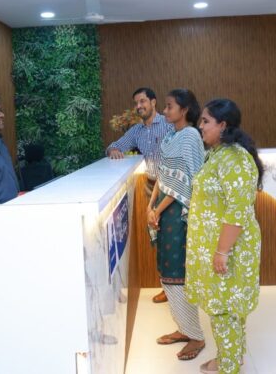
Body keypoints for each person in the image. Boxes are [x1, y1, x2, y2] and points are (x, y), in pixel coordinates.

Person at [185, 99, 264, 374]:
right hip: (218, 246)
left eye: (205, 121)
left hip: (229, 248)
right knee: (228, 306)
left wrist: (222, 252)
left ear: (223, 125)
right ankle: (232, 356)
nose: (200, 126)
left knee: (224, 308)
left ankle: (227, 365)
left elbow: (238, 210)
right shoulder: (217, 154)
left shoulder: (235, 158)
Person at [147, 88, 206, 361]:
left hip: (178, 214)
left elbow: (185, 181)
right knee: (167, 272)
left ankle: (196, 336)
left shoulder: (191, 136)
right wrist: (150, 206)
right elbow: (163, 175)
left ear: (184, 110)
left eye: (169, 106)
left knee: (178, 274)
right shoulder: (171, 136)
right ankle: (184, 328)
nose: (164, 111)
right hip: (163, 210)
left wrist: (157, 209)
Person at [107, 87, 173, 304]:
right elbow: (115, 146)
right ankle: (168, 287)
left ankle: (179, 289)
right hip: (151, 188)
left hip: (173, 189)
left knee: (174, 238)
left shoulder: (168, 124)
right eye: (136, 103)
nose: (139, 106)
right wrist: (113, 150)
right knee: (159, 238)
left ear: (153, 102)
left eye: (143, 101)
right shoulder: (137, 131)